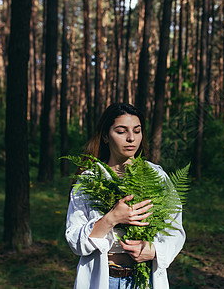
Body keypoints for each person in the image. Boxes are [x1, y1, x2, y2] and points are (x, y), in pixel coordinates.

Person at [65, 103, 186, 289]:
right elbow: (75, 241)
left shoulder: (157, 177)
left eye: (137, 131)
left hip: (144, 280)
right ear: (105, 136)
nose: (131, 138)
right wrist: (112, 218)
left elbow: (175, 231)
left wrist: (153, 251)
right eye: (121, 131)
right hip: (104, 279)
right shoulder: (89, 180)